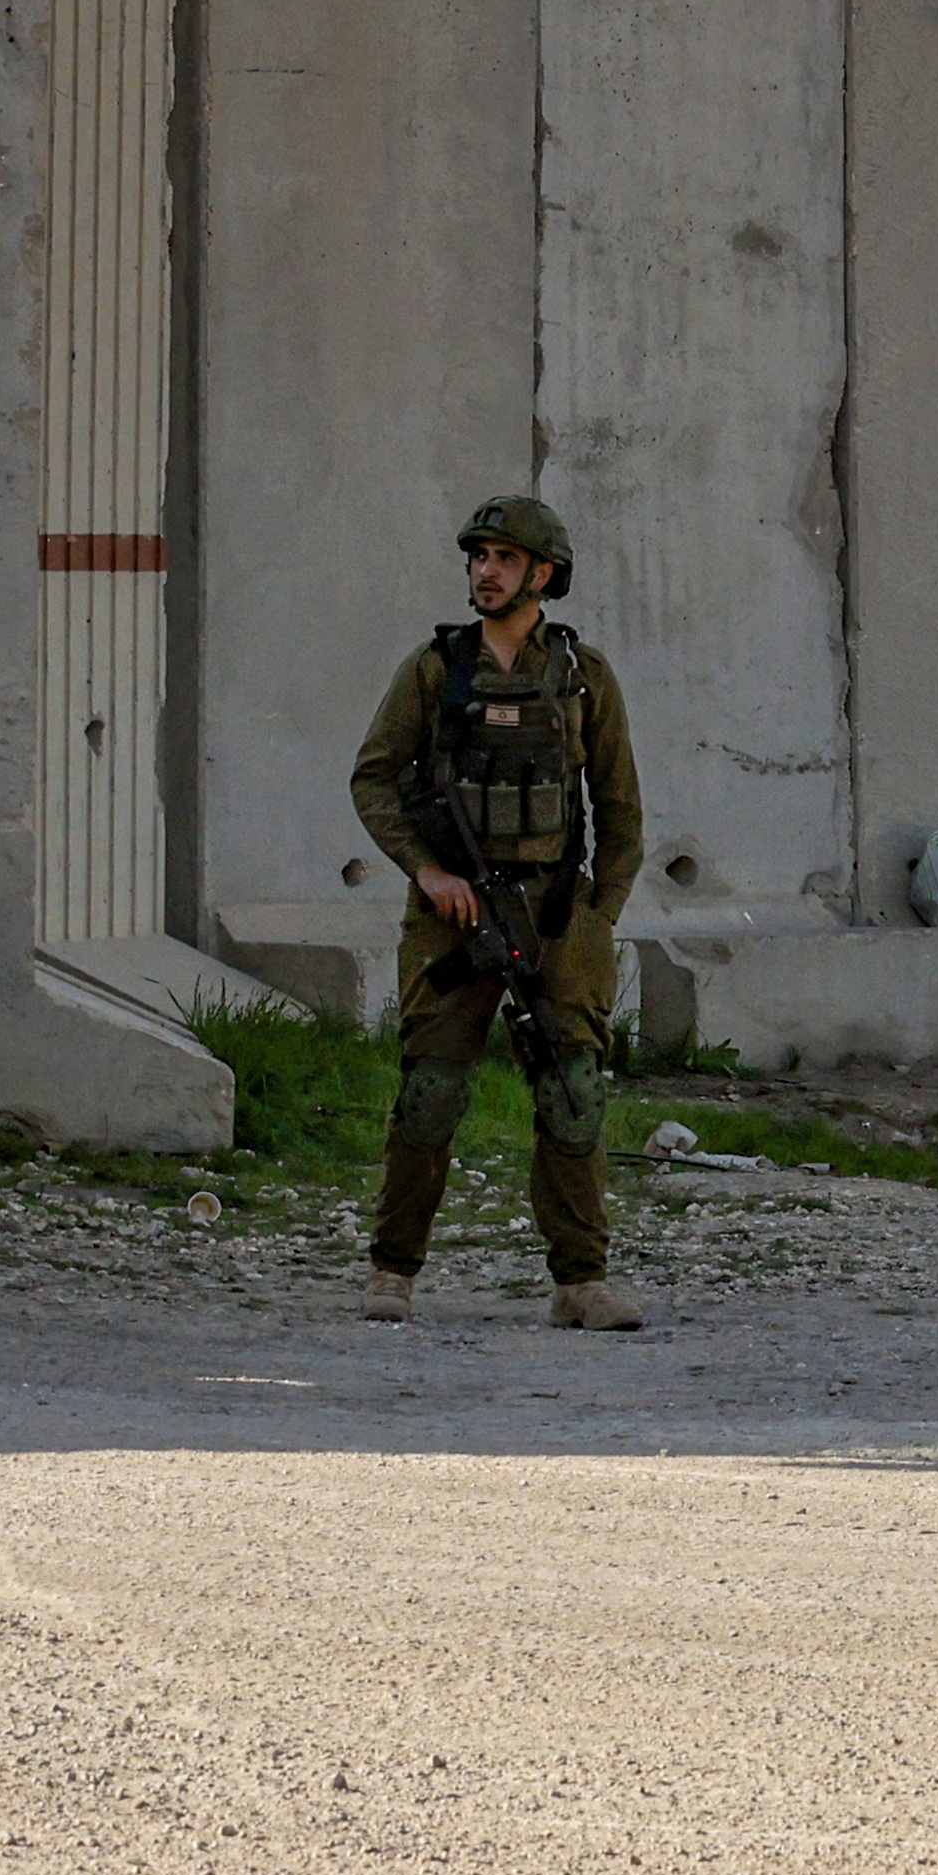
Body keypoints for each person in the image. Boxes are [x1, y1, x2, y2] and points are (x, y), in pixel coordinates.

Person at [347, 495, 649, 1330]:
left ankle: (580, 1281)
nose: (484, 570)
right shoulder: (437, 671)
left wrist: (598, 916)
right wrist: (428, 870)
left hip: (557, 914)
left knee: (573, 1092)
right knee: (431, 1092)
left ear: (543, 575)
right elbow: (374, 778)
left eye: (503, 559)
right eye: (478, 557)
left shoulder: (585, 678)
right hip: (454, 916)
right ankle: (392, 1271)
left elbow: (621, 812)